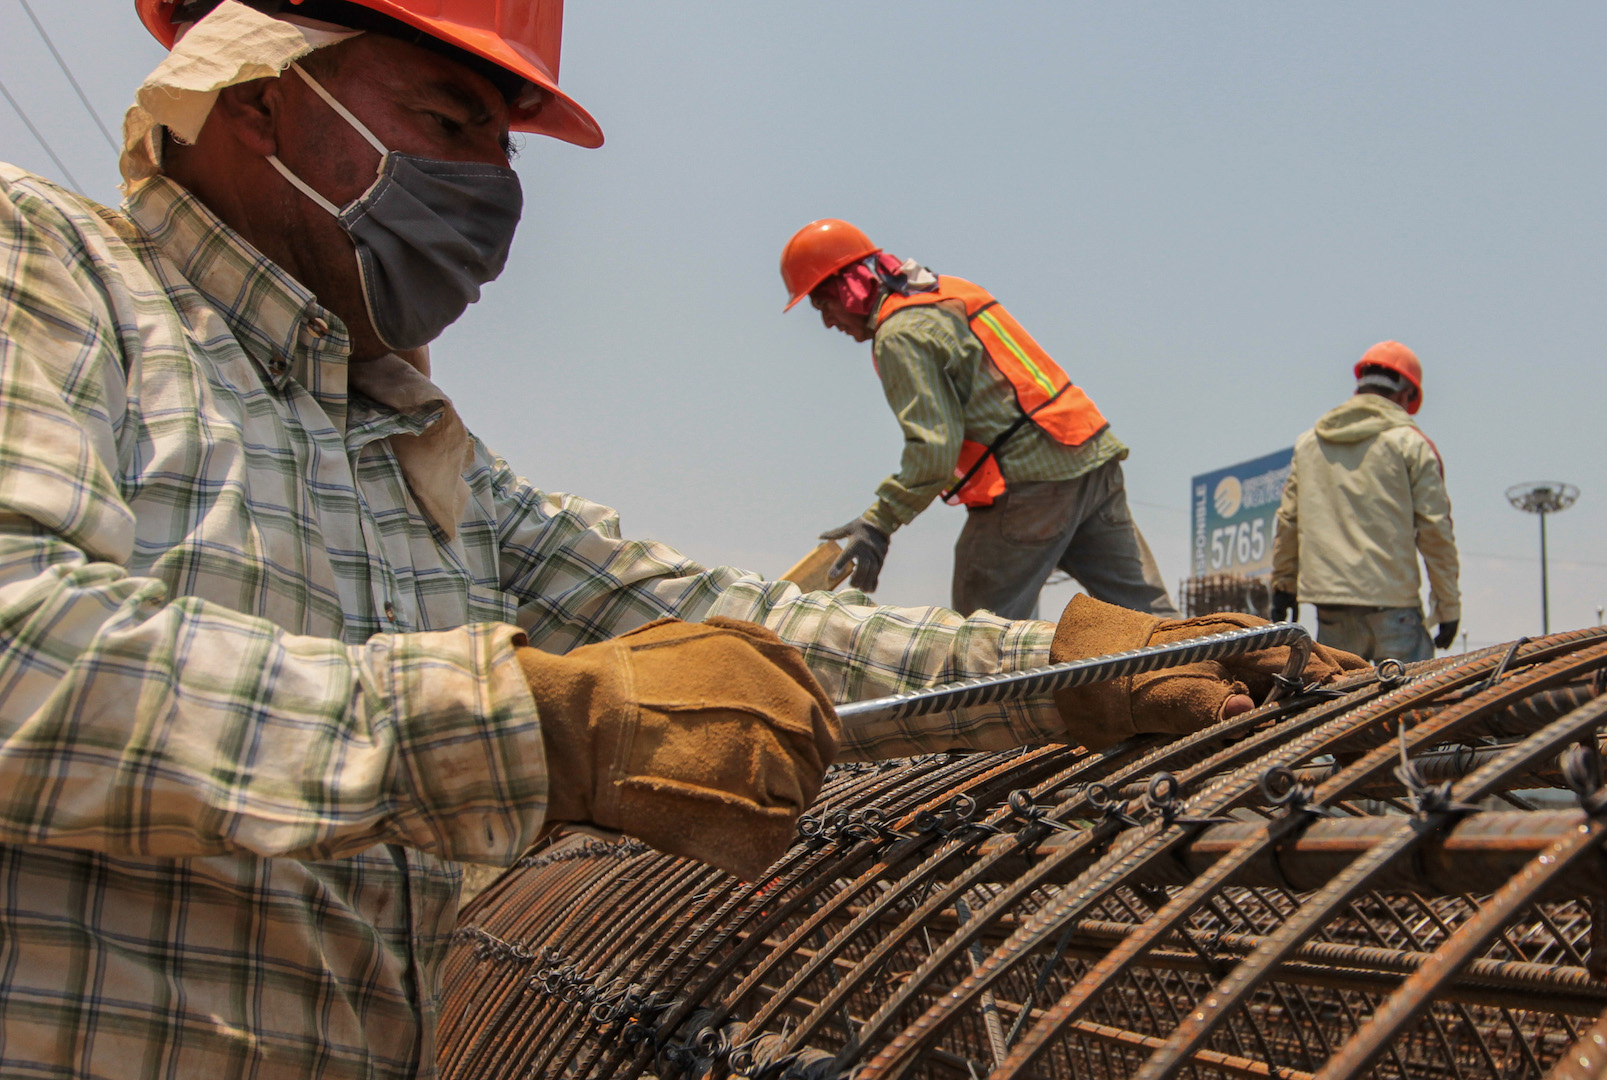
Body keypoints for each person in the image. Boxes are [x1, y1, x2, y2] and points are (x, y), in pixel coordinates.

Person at [0, 2, 1363, 1075]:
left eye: (502, 147)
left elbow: (716, 615)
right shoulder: (52, 267)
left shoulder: (412, 447)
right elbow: (23, 647)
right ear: (257, 91)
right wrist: (543, 725)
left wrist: (1068, 672)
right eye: (449, 119)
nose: (492, 188)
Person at [780, 219, 1178, 622]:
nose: (827, 322)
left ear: (849, 288)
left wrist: (878, 523)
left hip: (1028, 484)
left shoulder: (899, 334)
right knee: (1150, 617)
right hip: (1088, 456)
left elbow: (934, 451)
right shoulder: (952, 292)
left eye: (823, 305)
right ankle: (1203, 662)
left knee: (983, 635)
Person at [1271, 341, 1461, 663]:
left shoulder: (1309, 444)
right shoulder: (1411, 445)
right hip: (1394, 608)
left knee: (1339, 694)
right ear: (1406, 395)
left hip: (1331, 610)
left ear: (1360, 386)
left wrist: (1283, 586)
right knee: (1419, 694)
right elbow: (1435, 531)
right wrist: (1448, 607)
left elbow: (1289, 521)